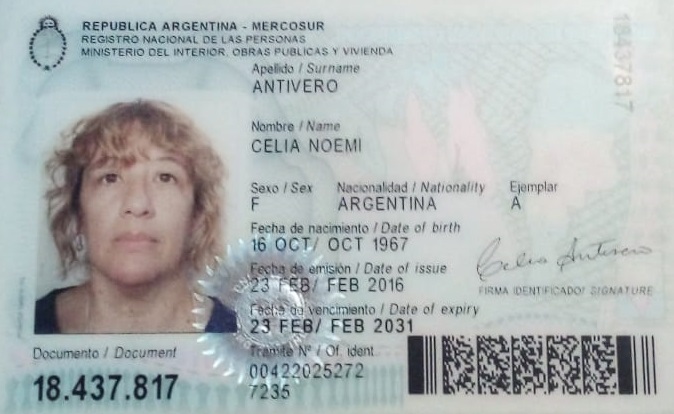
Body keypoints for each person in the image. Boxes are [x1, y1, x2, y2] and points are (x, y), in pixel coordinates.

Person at [35, 99, 237, 334]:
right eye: (110, 178)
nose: (137, 204)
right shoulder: (22, 327)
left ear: (197, 215)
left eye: (165, 177)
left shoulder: (243, 340)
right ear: (78, 212)